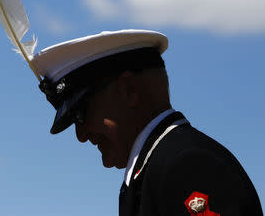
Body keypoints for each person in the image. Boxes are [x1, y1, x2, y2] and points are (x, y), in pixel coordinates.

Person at [31, 29, 263, 216]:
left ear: (128, 90)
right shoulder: (152, 170)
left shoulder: (187, 166)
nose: (81, 135)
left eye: (81, 114)